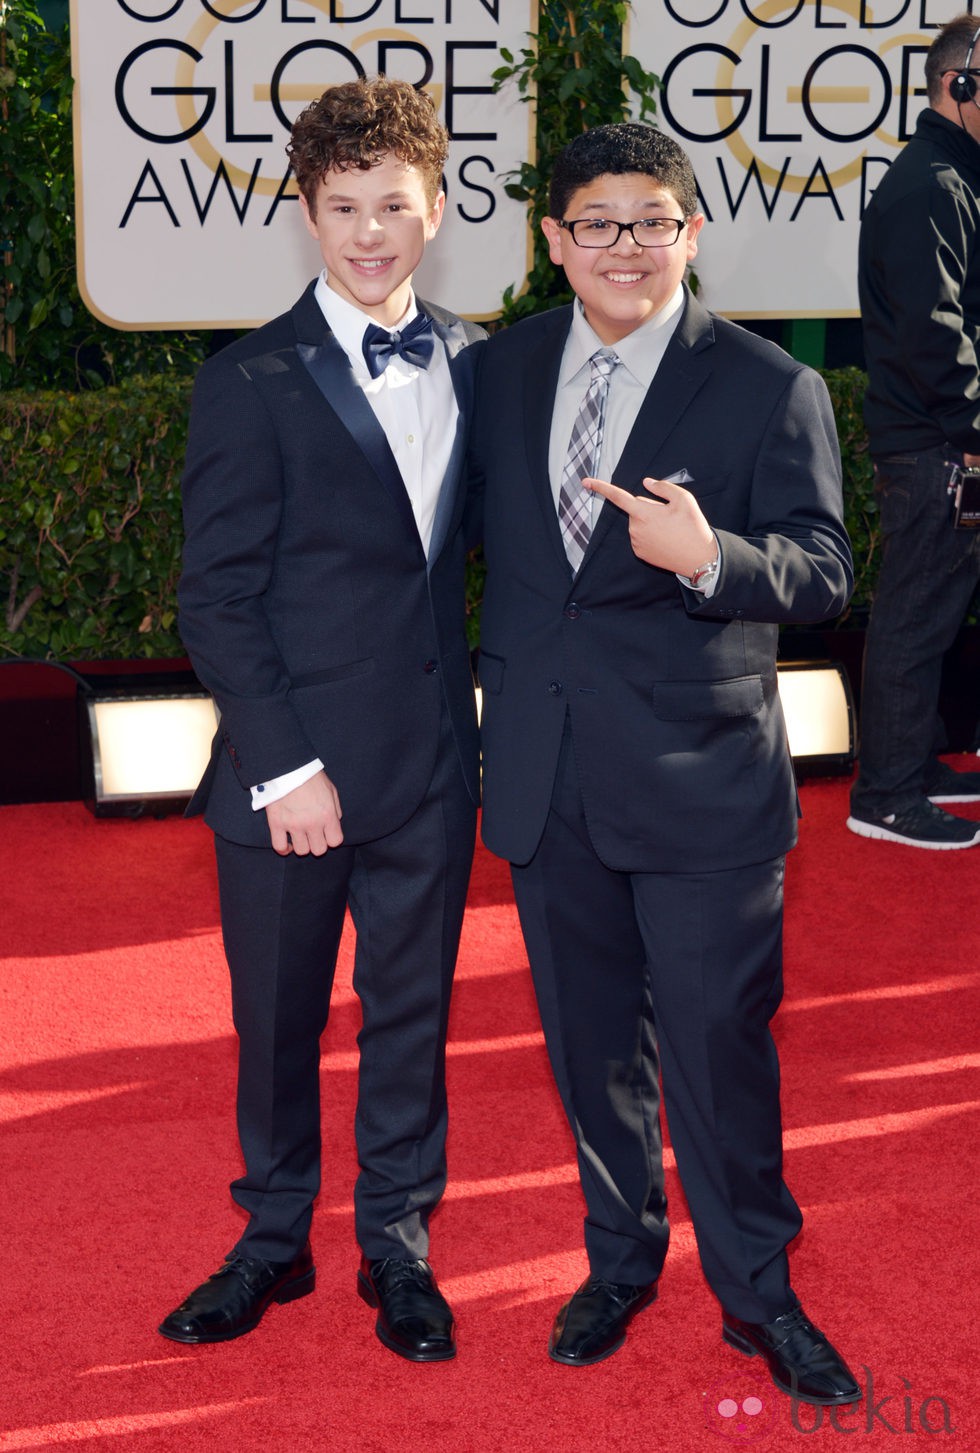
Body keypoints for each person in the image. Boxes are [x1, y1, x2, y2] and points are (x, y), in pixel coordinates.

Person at [469, 123, 860, 1407]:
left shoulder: (764, 385)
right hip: (545, 772)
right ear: (553, 242)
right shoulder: (502, 372)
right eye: (596, 222)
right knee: (592, 1055)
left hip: (701, 785)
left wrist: (708, 560)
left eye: (651, 221)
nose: (624, 245)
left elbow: (821, 572)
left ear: (690, 234)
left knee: (715, 1049)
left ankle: (759, 1294)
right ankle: (617, 1261)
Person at [160, 77, 483, 1361]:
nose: (367, 232)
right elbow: (215, 596)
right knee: (278, 1022)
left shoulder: (479, 361)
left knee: (412, 1017)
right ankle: (271, 1240)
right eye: (341, 207)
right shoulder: (250, 379)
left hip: (428, 770)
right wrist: (283, 765)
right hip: (288, 777)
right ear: (305, 212)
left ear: (435, 207)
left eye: (391, 206)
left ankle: (395, 1245)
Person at [847, 12, 980, 849]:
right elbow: (935, 332)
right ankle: (887, 794)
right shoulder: (930, 183)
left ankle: (910, 760)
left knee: (932, 614)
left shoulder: (954, 175)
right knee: (913, 615)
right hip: (938, 445)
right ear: (957, 86)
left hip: (946, 440)